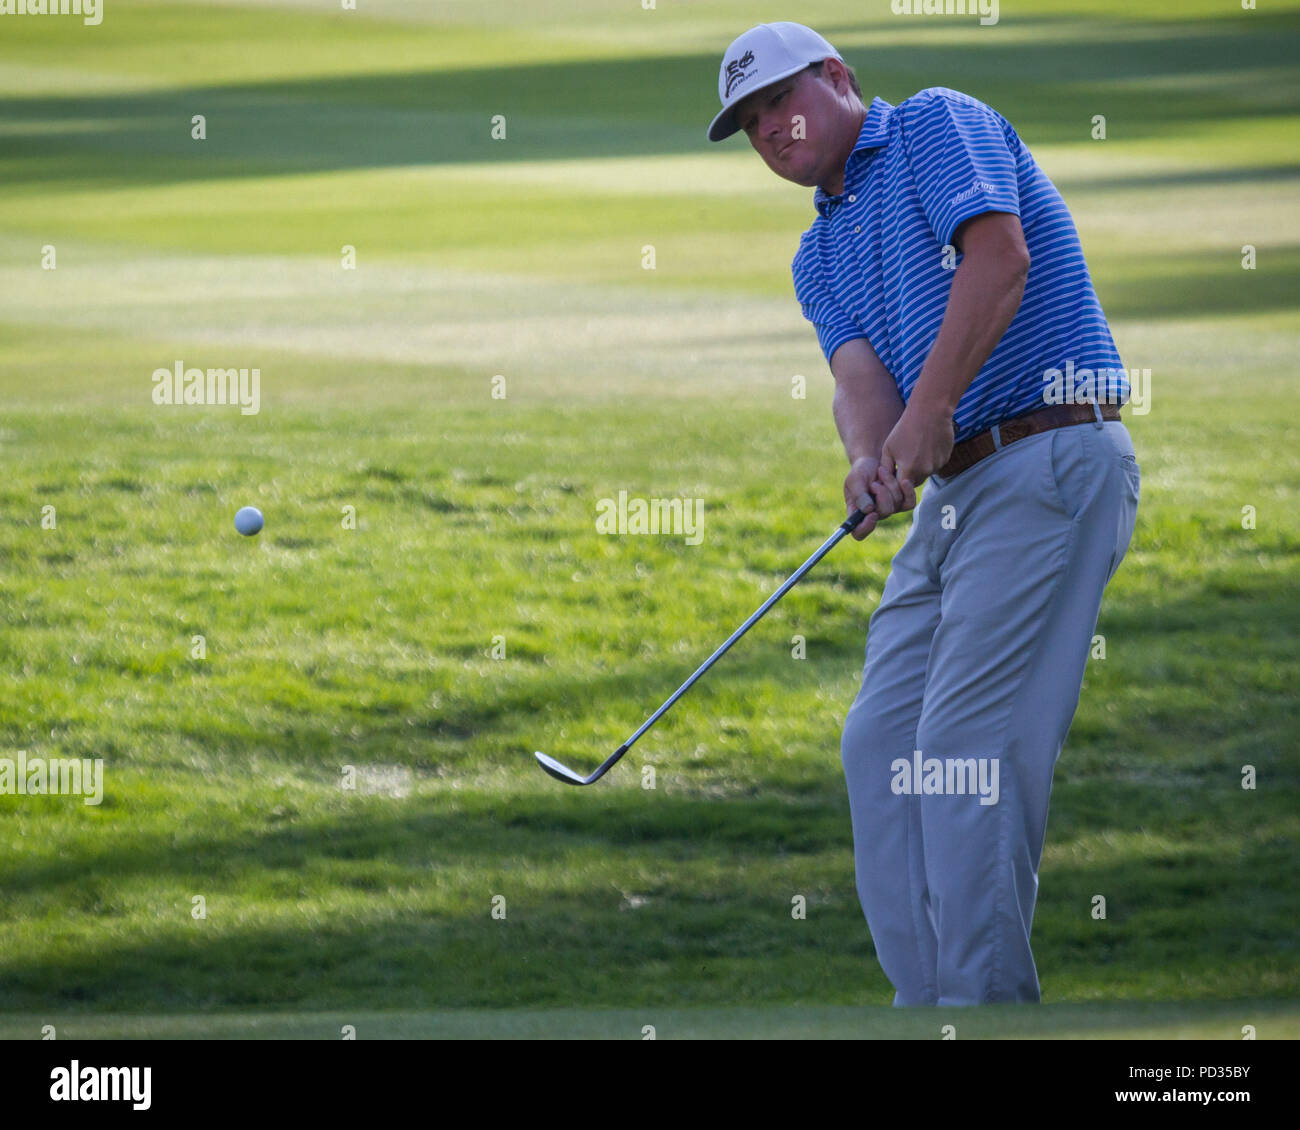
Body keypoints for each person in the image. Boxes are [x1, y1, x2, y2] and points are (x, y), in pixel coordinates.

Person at [707, 22, 1140, 1005]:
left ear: (838, 78)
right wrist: (868, 457)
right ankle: (927, 1006)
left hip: (1052, 454)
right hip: (955, 495)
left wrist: (930, 409)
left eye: (781, 100)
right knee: (881, 742)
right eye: (750, 121)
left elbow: (999, 260)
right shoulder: (817, 252)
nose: (772, 130)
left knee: (961, 746)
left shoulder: (937, 125)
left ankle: (982, 1005)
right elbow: (858, 376)